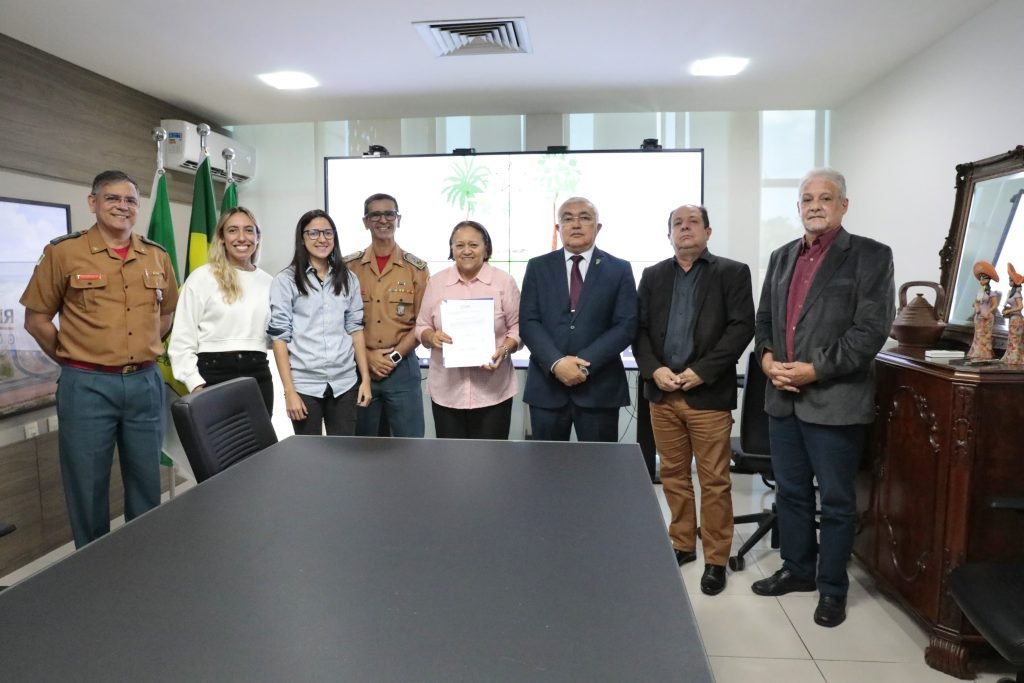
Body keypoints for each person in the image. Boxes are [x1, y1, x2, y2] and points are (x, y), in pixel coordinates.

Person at [752, 168, 895, 628]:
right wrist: (769, 361)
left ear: (844, 205)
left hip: (835, 400)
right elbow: (764, 322)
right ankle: (797, 570)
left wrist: (816, 369)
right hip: (782, 398)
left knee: (835, 500)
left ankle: (832, 588)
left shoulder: (870, 256)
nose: (815, 205)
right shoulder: (780, 257)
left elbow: (870, 331)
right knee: (791, 493)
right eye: (807, 199)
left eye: (825, 198)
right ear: (798, 207)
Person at [20, 170, 179, 548]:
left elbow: (168, 312)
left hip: (144, 382)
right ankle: (92, 572)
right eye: (112, 198)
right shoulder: (63, 253)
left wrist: (141, 346)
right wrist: (73, 358)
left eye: (129, 201)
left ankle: (143, 562)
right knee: (87, 485)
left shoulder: (155, 256)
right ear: (92, 203)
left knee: (146, 481)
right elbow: (37, 319)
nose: (122, 207)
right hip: (87, 386)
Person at [633, 204, 754, 595]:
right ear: (669, 234)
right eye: (677, 224)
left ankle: (716, 557)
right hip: (663, 392)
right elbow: (640, 330)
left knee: (715, 480)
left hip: (708, 394)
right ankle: (682, 543)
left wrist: (703, 370)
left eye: (693, 223)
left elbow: (741, 328)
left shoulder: (732, 273)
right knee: (672, 474)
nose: (685, 229)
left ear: (708, 231)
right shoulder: (653, 276)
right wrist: (655, 369)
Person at [520, 196, 638, 442]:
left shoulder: (619, 269)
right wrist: (556, 363)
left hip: (599, 389)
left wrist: (585, 364)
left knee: (598, 471)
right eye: (567, 218)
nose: (576, 224)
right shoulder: (537, 267)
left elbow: (626, 326)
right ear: (557, 228)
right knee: (547, 471)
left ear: (598, 227)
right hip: (547, 388)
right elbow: (529, 322)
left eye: (584, 218)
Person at [268, 210, 371, 435]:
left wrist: (365, 380)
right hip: (305, 385)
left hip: (344, 383)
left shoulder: (348, 278)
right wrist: (289, 392)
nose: (322, 239)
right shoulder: (285, 281)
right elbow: (279, 338)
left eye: (327, 233)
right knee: (309, 458)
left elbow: (355, 330)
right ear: (302, 239)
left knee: (344, 455)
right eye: (313, 233)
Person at [415, 221, 521, 439]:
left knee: (492, 461)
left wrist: (504, 349)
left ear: (486, 249)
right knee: (452, 462)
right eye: (459, 245)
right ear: (452, 250)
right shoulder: (436, 282)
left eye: (473, 244)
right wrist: (430, 336)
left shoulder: (503, 282)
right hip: (447, 391)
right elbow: (421, 326)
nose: (466, 251)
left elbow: (517, 329)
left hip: (493, 391)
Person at [168, 206, 274, 413]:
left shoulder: (269, 282)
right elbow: (181, 340)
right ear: (222, 238)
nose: (242, 237)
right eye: (233, 230)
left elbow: (275, 337)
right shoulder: (201, 278)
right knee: (216, 446)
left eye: (249, 230)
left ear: (258, 237)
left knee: (261, 446)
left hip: (258, 375)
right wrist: (196, 384)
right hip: (212, 376)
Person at [344, 193, 429, 437]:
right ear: (365, 222)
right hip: (360, 367)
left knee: (410, 447)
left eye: (389, 214)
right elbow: (339, 321)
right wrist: (368, 357)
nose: (383, 220)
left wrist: (392, 357)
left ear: (398, 219)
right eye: (375, 215)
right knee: (364, 448)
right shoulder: (349, 267)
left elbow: (422, 323)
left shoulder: (416, 269)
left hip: (402, 368)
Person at [967, 260, 1000, 360]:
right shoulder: (979, 292)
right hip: (978, 316)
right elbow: (975, 302)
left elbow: (995, 304)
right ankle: (976, 352)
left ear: (988, 280)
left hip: (986, 316)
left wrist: (988, 312)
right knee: (978, 334)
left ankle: (984, 353)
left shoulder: (991, 293)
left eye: (984, 279)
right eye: (981, 279)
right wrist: (975, 305)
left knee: (985, 335)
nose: (981, 281)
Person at [1001, 263, 1023, 364]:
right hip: (1013, 318)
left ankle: (1015, 359)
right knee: (1011, 338)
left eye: (1011, 280)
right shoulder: (1012, 293)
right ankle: (1010, 357)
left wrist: (1009, 310)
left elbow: (1020, 306)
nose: (1009, 281)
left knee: (1015, 339)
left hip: (1017, 319)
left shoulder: (1017, 294)